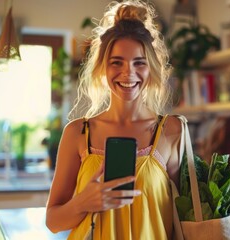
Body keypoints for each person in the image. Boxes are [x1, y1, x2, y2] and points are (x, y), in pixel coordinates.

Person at [45, 1, 184, 239]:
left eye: (139, 63)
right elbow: (53, 222)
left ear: (151, 67)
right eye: (116, 62)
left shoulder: (172, 129)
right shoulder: (77, 132)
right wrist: (83, 203)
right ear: (102, 68)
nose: (128, 73)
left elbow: (186, 216)